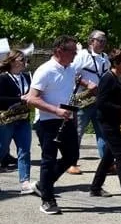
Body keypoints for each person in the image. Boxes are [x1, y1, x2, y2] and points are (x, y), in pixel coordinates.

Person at [25, 36, 87, 214]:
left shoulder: (70, 69)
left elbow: (66, 94)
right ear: (60, 51)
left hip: (66, 120)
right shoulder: (45, 70)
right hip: (47, 121)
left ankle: (43, 184)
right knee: (48, 159)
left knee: (71, 156)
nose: (76, 54)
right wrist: (56, 111)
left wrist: (71, 113)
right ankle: (47, 199)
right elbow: (31, 99)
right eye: (73, 51)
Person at [88, 49, 121, 203]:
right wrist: (120, 109)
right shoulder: (107, 79)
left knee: (109, 156)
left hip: (119, 122)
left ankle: (95, 187)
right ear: (116, 63)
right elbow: (101, 102)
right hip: (107, 122)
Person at [68, 29, 110, 175]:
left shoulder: (105, 58)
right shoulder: (82, 56)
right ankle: (71, 163)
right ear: (91, 41)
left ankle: (106, 163)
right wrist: (87, 84)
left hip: (99, 100)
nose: (103, 43)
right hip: (83, 100)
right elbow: (72, 73)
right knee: (77, 132)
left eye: (105, 41)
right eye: (100, 40)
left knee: (103, 133)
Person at [0, 50, 34, 195]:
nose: (25, 61)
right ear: (13, 61)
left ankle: (25, 182)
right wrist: (19, 99)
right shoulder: (3, 78)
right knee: (1, 150)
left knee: (24, 151)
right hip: (7, 119)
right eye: (22, 59)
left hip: (23, 119)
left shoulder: (27, 76)